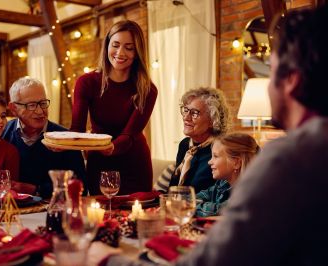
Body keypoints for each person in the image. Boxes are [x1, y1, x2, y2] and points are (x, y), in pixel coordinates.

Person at [89, 5, 328, 266]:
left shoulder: (289, 160)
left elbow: (211, 260)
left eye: (270, 70)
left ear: (291, 80)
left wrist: (108, 260)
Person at [70, 20, 158, 195]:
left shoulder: (148, 89)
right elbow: (77, 129)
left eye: (129, 47)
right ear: (107, 46)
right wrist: (62, 143)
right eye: (115, 45)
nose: (120, 53)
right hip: (99, 163)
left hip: (134, 163)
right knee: (100, 218)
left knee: (136, 219)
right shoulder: (86, 83)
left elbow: (129, 134)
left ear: (137, 52)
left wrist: (111, 147)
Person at [2, 77, 86, 198]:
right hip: (13, 211)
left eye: (43, 103)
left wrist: (37, 190)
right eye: (31, 105)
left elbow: (80, 185)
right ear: (14, 108)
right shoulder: (3, 134)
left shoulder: (66, 139)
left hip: (53, 210)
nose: (40, 111)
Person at [164, 87, 229, 193]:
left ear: (213, 120)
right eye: (185, 110)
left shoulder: (220, 150)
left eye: (194, 113)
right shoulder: (185, 145)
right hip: (177, 207)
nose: (186, 117)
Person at [196, 133, 259, 217]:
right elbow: (194, 198)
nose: (209, 162)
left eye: (215, 156)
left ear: (236, 163)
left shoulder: (249, 193)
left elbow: (217, 211)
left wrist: (190, 206)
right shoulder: (222, 184)